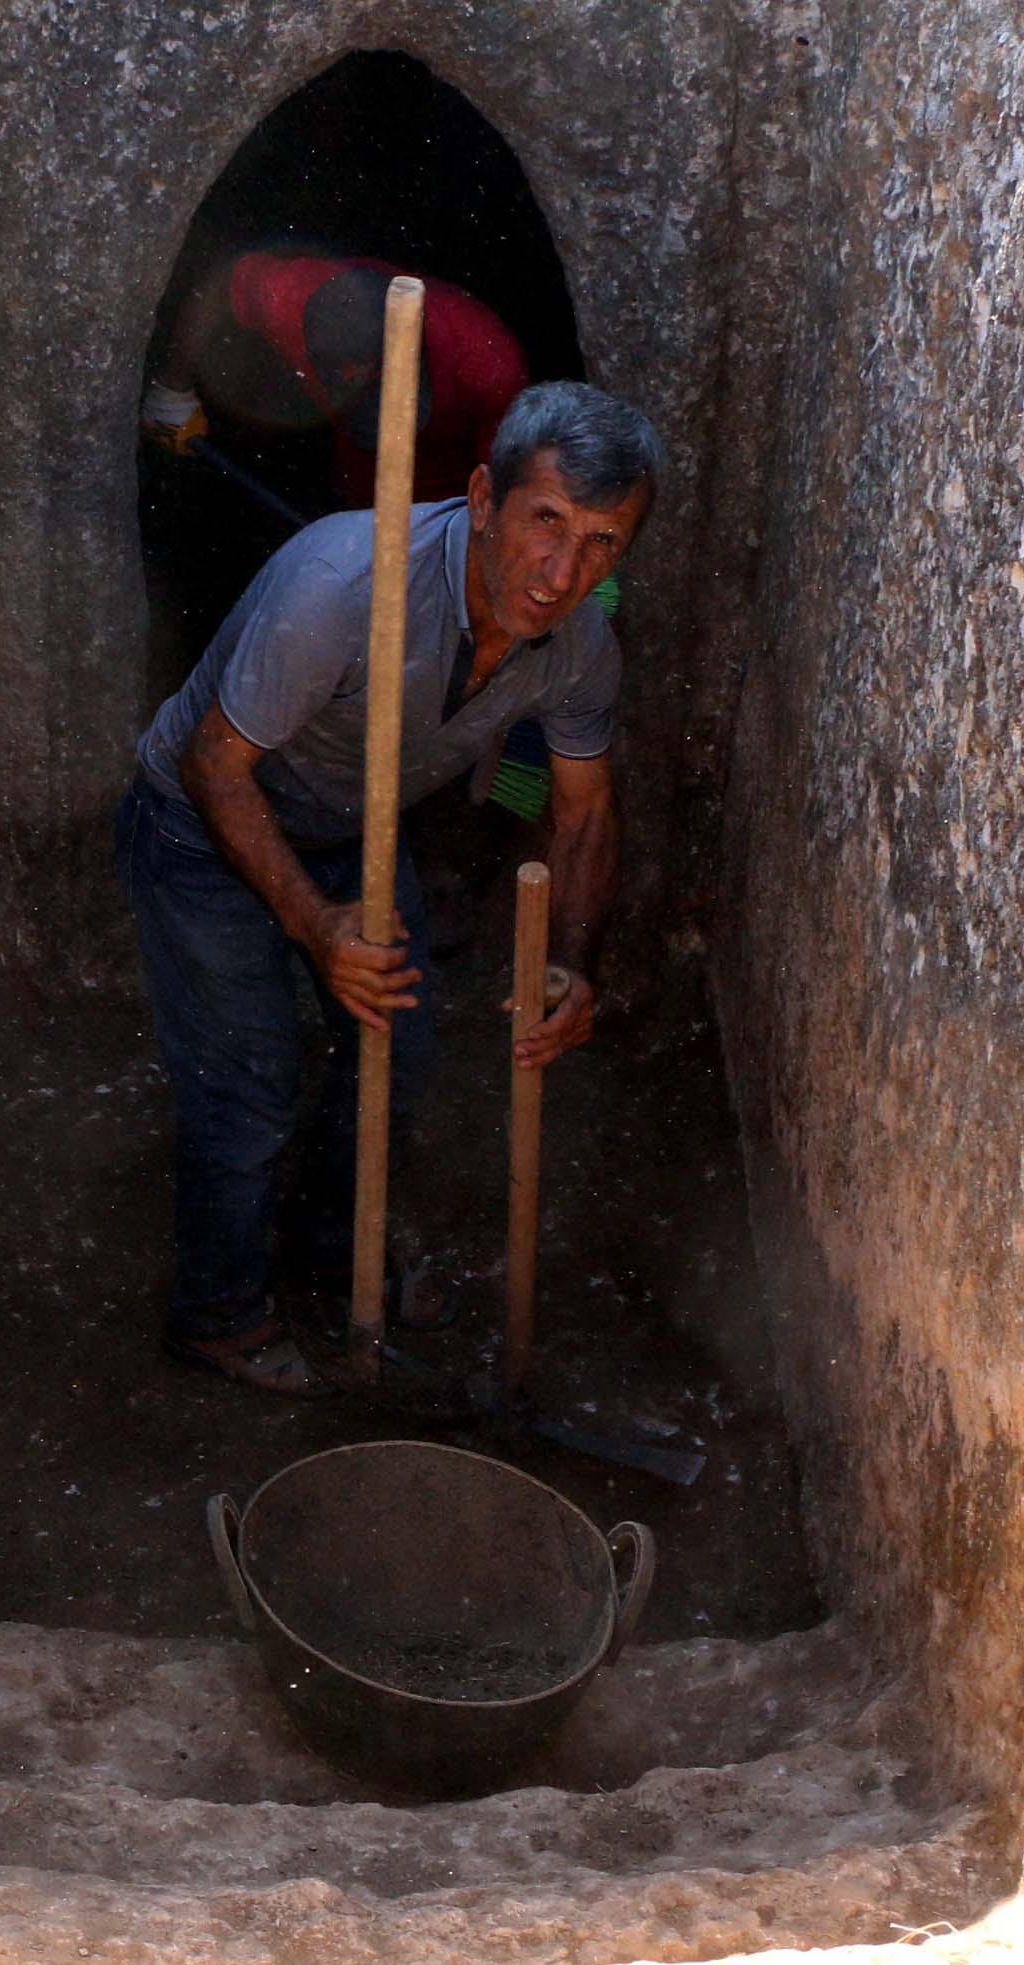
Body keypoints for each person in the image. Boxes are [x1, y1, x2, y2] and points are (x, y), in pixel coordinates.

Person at [117, 381, 660, 1396]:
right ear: (483, 496)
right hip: (199, 822)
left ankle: (333, 1245)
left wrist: (571, 962)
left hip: (345, 827)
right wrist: (317, 926)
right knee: (250, 1083)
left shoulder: (579, 646)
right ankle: (218, 1312)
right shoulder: (340, 586)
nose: (561, 572)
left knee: (398, 1053)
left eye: (600, 544)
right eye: (545, 522)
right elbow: (213, 765)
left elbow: (582, 812)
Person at [140, 246, 532, 509]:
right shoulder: (289, 298)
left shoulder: (485, 360)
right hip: (358, 492)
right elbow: (216, 289)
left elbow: (511, 497)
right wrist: (171, 389)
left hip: (450, 507)